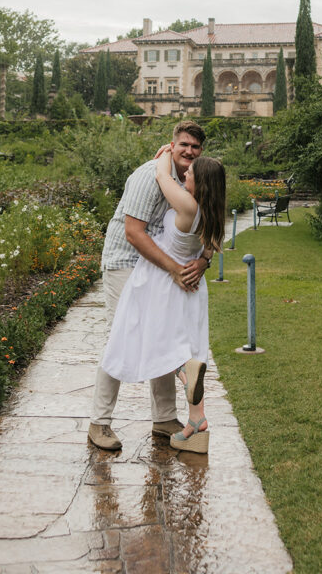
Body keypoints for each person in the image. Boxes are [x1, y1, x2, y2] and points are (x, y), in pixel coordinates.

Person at [87, 120, 208, 451]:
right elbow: (133, 233)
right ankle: (99, 423)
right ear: (172, 144)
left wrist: (203, 261)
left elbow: (205, 225)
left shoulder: (187, 180)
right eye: (184, 144)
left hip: (153, 268)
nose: (189, 151)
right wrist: (174, 269)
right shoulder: (148, 176)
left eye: (195, 147)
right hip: (125, 262)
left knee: (163, 335)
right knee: (121, 338)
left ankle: (165, 418)